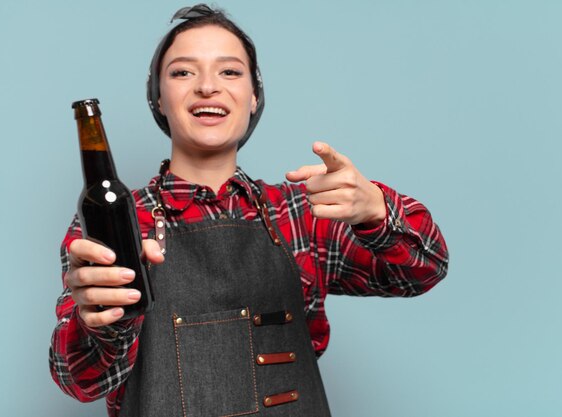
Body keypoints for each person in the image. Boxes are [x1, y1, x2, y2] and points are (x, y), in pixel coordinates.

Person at [49, 4, 449, 417]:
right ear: (158, 98)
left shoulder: (300, 215)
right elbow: (78, 380)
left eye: (230, 72)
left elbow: (425, 269)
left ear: (254, 97)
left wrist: (375, 213)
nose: (208, 87)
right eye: (183, 72)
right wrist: (99, 317)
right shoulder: (116, 223)